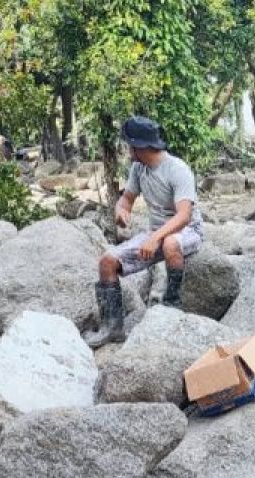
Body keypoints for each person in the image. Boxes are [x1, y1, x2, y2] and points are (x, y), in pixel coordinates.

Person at [84, 115, 204, 348]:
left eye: (129, 144)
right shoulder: (138, 169)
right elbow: (126, 199)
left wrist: (154, 238)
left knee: (170, 243)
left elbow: (184, 215)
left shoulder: (177, 170)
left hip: (188, 231)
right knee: (107, 262)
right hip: (156, 232)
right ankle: (112, 327)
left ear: (139, 146)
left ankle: (172, 306)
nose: (127, 148)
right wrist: (121, 211)